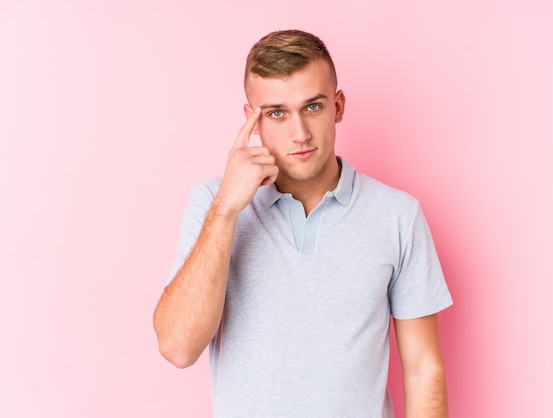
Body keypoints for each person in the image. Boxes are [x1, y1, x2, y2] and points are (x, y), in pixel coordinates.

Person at [153, 29, 453, 417]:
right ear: (252, 120)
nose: (300, 134)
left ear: (338, 106)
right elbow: (178, 348)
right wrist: (227, 208)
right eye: (276, 113)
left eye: (312, 107)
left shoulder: (397, 215)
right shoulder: (214, 203)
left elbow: (422, 368)